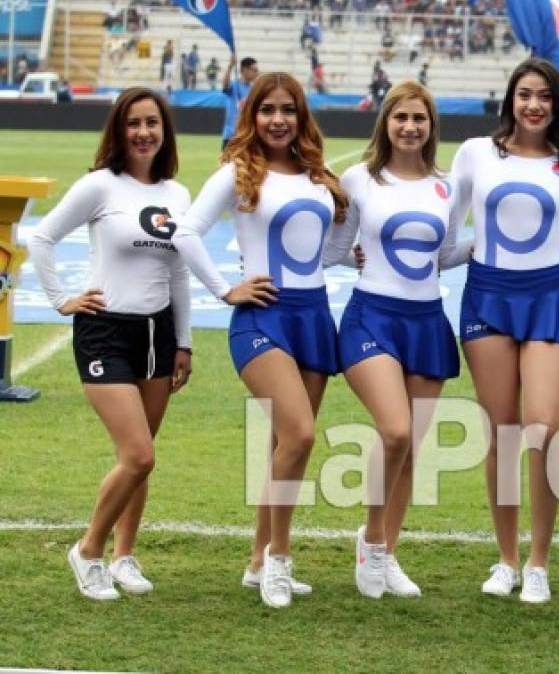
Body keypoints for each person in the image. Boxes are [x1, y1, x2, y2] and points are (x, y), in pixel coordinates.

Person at [172, 72, 349, 609]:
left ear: (302, 116)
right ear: (253, 116)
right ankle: (279, 558)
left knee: (283, 446)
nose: (278, 119)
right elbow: (184, 231)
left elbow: (337, 239)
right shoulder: (237, 171)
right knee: (299, 436)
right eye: (267, 109)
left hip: (313, 316)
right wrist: (227, 289)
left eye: (288, 110)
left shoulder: (320, 174)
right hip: (261, 318)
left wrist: (346, 255)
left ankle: (256, 562)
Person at [29, 88, 192, 601]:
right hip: (106, 330)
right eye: (133, 123)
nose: (143, 132)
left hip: (158, 334)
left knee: (141, 454)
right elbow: (40, 237)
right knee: (138, 455)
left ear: (164, 130)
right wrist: (61, 300)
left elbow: (180, 271)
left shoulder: (178, 194)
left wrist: (183, 343)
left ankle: (124, 557)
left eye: (152, 123)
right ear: (119, 130)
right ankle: (89, 551)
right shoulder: (100, 186)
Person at [449, 57, 559, 603]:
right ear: (510, 98)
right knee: (501, 433)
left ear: (557, 105)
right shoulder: (475, 153)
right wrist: (410, 255)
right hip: (486, 296)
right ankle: (507, 558)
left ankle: (540, 562)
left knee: (545, 427)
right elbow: (449, 225)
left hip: (549, 299)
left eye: (545, 97)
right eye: (525, 94)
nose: (534, 105)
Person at [323, 80, 468, 600]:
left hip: (427, 321)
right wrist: (347, 254)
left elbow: (444, 255)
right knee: (396, 432)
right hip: (371, 317)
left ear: (431, 127)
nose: (410, 127)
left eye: (419, 119)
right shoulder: (360, 178)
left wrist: (483, 247)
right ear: (385, 122)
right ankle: (371, 539)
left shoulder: (447, 187)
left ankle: (387, 553)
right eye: (401, 117)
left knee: (410, 450)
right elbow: (332, 247)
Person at [221, 56, 259, 150]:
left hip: (246, 136)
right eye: (254, 70)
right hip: (231, 135)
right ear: (245, 70)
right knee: (227, 164)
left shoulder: (254, 89)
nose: (256, 73)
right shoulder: (234, 85)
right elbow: (225, 86)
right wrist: (230, 66)